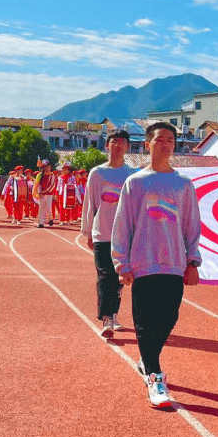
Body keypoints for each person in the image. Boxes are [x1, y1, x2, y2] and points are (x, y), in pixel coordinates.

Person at [111, 122, 202, 409]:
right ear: (147, 144)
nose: (166, 144)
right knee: (144, 323)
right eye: (160, 139)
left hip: (174, 263)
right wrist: (121, 263)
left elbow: (192, 224)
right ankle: (155, 377)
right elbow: (123, 224)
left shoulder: (183, 184)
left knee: (169, 318)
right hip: (143, 263)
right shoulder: (135, 183)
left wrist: (193, 260)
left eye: (171, 140)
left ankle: (146, 358)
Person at [83, 130, 136, 338]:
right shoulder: (97, 173)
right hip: (102, 233)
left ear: (127, 147)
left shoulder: (131, 174)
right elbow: (91, 203)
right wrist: (88, 231)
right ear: (107, 145)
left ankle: (114, 314)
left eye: (123, 142)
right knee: (104, 275)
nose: (118, 145)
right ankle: (106, 318)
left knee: (119, 278)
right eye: (114, 141)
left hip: (124, 235)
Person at [33, 159, 59, 227]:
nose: (47, 168)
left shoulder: (52, 175)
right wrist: (39, 193)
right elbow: (38, 185)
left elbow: (52, 186)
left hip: (49, 194)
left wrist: (44, 191)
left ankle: (50, 218)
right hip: (41, 194)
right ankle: (41, 223)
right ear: (43, 168)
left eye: (48, 166)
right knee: (41, 208)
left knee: (48, 207)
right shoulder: (41, 175)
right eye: (45, 166)